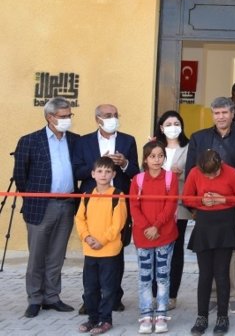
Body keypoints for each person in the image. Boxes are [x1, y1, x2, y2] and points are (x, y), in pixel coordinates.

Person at [186, 96, 235, 315]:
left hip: (234, 204)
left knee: (234, 252)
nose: (221, 117)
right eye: (216, 113)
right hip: (205, 208)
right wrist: (197, 204)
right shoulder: (199, 137)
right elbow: (192, 169)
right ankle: (213, 296)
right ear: (212, 115)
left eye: (224, 113)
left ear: (232, 113)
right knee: (209, 252)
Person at [14, 97, 79, 319]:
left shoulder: (75, 141)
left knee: (57, 255)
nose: (68, 120)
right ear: (50, 117)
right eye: (63, 116)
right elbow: (21, 176)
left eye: (69, 115)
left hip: (67, 204)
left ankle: (52, 297)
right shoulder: (30, 141)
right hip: (41, 206)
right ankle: (34, 298)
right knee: (37, 256)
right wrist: (34, 199)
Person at [74, 103, 139, 313]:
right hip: (92, 202)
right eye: (108, 115)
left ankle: (114, 297)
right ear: (98, 119)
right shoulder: (83, 141)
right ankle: (90, 299)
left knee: (115, 250)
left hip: (117, 202)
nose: (113, 118)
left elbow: (136, 172)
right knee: (92, 253)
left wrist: (125, 163)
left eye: (115, 115)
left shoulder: (128, 140)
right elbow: (77, 171)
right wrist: (99, 165)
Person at [183, 149, 235, 336]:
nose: (211, 177)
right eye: (207, 174)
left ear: (221, 164)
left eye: (215, 173)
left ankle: (222, 317)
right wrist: (200, 201)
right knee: (205, 274)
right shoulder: (195, 172)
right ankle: (201, 316)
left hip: (225, 225)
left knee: (221, 274)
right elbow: (186, 197)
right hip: (204, 225)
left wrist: (223, 199)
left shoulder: (232, 172)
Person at [129, 141, 179, 334]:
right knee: (144, 277)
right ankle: (145, 314)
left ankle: (161, 314)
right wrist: (146, 227)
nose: (157, 160)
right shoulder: (138, 180)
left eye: (160, 156)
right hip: (143, 236)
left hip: (164, 235)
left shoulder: (170, 178)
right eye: (152, 156)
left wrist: (156, 226)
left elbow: (170, 205)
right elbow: (134, 207)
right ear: (145, 159)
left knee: (163, 277)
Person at [74, 157, 128, 335]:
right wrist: (87, 237)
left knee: (107, 287)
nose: (103, 175)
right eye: (99, 171)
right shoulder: (87, 195)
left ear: (113, 174)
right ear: (92, 174)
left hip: (109, 250)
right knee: (90, 288)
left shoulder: (117, 195)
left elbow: (118, 223)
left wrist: (103, 240)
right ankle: (92, 318)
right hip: (90, 250)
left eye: (107, 171)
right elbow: (80, 219)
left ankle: (105, 319)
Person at [153, 110, 190, 311]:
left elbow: (195, 172)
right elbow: (144, 173)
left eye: (176, 123)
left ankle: (172, 294)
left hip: (179, 207)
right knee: (155, 249)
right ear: (161, 127)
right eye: (168, 124)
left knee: (175, 250)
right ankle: (154, 292)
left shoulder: (189, 147)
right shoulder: (154, 147)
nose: (173, 127)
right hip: (155, 207)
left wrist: (181, 174)